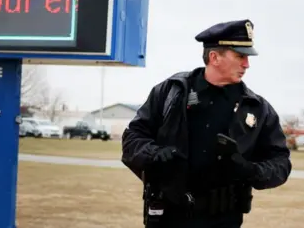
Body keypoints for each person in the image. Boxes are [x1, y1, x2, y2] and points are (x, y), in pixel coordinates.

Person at [121, 19, 292, 228]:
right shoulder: (170, 93)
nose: (246, 64)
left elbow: (281, 163)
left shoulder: (256, 108)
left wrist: (249, 170)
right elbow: (132, 139)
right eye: (240, 56)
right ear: (214, 57)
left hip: (224, 219)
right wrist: (153, 153)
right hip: (168, 216)